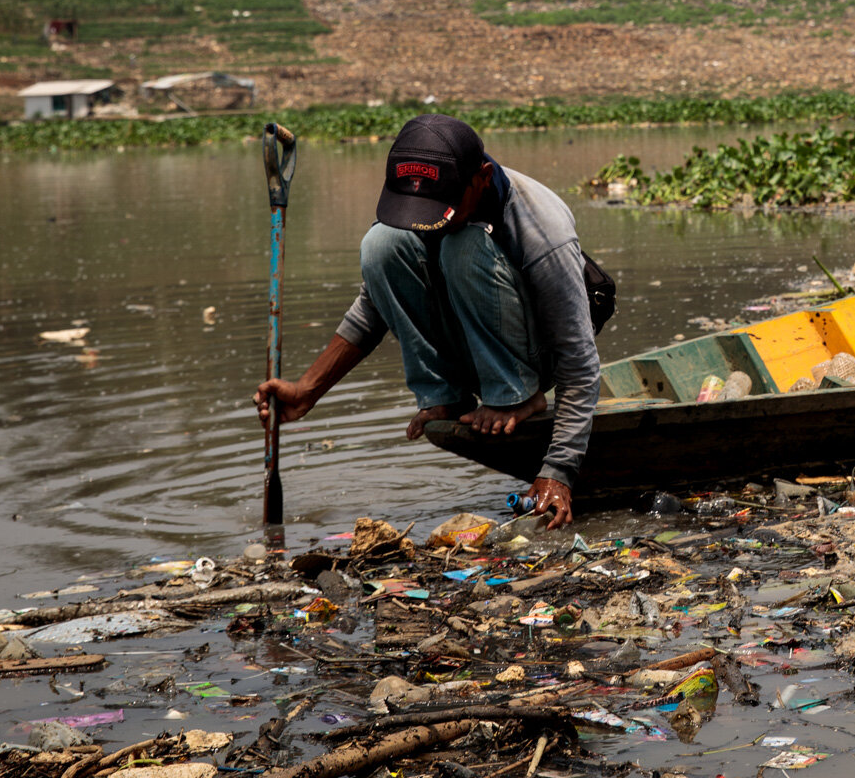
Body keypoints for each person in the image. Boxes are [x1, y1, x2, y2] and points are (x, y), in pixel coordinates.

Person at [254, 115, 599, 529]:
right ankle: (446, 395)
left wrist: (557, 472)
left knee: (463, 246)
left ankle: (515, 395)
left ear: (482, 179)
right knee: (381, 244)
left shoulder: (542, 228)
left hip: (534, 357)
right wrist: (307, 390)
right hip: (473, 338)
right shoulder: (432, 205)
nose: (428, 221)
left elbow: (579, 364)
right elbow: (375, 304)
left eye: (440, 211)